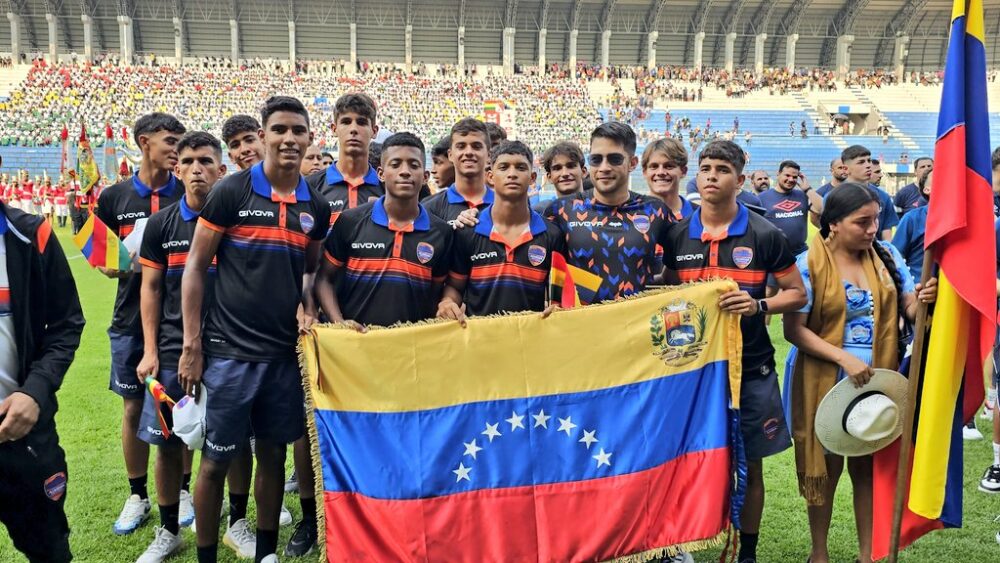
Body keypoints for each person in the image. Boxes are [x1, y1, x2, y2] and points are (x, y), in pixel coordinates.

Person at [180, 96, 330, 563]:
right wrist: (191, 345)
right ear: (264, 136)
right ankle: (207, 556)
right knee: (215, 461)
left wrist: (308, 306)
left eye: (298, 131)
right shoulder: (233, 191)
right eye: (279, 130)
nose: (289, 139)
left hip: (283, 355)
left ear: (309, 137)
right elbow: (195, 266)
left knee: (273, 456)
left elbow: (309, 272)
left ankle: (266, 553)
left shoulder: (315, 205)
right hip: (229, 353)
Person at [661, 140, 808, 563]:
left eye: (722, 169)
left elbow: (796, 293)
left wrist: (758, 304)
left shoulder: (765, 234)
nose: (712, 176)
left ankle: (748, 553)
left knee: (752, 465)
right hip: (690, 372)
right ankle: (680, 544)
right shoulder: (677, 234)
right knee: (683, 460)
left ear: (740, 180)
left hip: (751, 369)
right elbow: (665, 292)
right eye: (706, 168)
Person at [784, 183, 936, 563]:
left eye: (875, 220)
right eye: (862, 222)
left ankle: (867, 555)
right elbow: (794, 330)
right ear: (833, 223)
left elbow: (908, 309)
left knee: (867, 468)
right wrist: (844, 359)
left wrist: (922, 301)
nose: (872, 229)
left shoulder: (886, 255)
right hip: (825, 378)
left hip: (879, 378)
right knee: (826, 470)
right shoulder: (807, 264)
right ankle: (819, 553)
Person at [134, 132, 226, 562]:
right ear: (177, 169)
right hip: (172, 350)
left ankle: (236, 521)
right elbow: (150, 288)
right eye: (187, 161)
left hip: (227, 347)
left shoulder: (236, 220)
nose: (196, 169)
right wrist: (150, 349)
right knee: (168, 445)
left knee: (228, 443)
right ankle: (169, 529)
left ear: (221, 170)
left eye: (205, 161)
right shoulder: (161, 224)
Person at [95, 112, 187, 536]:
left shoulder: (186, 192)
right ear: (144, 142)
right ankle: (137, 494)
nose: (177, 150)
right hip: (129, 319)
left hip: (178, 321)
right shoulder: (113, 197)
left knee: (181, 405)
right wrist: (111, 265)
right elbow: (99, 256)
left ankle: (182, 491)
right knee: (133, 407)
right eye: (170, 141)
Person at [219, 113, 293, 557]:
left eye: (249, 140)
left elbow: (307, 271)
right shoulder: (229, 192)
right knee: (227, 444)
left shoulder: (302, 196)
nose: (245, 149)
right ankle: (235, 520)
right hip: (229, 344)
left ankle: (262, 521)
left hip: (280, 346)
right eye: (236, 145)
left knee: (268, 443)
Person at [0, 197, 85, 563]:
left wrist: (34, 392)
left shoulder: (33, 233)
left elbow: (66, 323)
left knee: (49, 550)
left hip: (24, 434)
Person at [314, 132, 453, 328]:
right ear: (380, 173)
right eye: (395, 165)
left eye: (414, 165)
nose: (405, 172)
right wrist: (340, 323)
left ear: (425, 177)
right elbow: (324, 278)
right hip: (356, 342)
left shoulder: (441, 232)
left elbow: (435, 293)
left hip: (412, 343)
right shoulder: (350, 221)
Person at [439, 140, 565, 320]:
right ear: (490, 177)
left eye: (520, 168)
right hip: (480, 336)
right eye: (504, 167)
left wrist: (557, 308)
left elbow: (559, 295)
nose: (512, 174)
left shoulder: (552, 234)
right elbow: (455, 286)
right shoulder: (467, 230)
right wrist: (447, 302)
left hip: (530, 336)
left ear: (532, 178)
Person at [306, 93, 383, 225]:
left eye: (361, 122)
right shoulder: (310, 186)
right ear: (334, 129)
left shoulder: (387, 188)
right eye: (346, 122)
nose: (353, 129)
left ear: (374, 131)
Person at [423, 118, 494, 225]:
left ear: (489, 155)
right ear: (450, 155)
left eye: (476, 146)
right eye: (461, 147)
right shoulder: (429, 208)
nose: (468, 152)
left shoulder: (506, 206)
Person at [758, 161, 823, 257]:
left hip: (801, 253)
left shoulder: (802, 195)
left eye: (795, 177)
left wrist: (807, 189)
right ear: (778, 174)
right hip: (774, 255)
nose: (791, 179)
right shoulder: (762, 198)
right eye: (787, 175)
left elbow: (822, 209)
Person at [837, 145, 898, 241]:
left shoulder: (883, 197)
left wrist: (886, 248)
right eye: (861, 162)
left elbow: (886, 232)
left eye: (868, 161)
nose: (868, 165)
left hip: (875, 249)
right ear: (846, 169)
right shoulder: (834, 197)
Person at [642, 138, 694, 220]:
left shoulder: (700, 217)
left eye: (669, 166)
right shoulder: (630, 215)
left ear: (683, 171)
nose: (660, 172)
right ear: (644, 172)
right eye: (654, 166)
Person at [535, 140, 588, 213]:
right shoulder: (541, 212)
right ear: (549, 177)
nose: (565, 173)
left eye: (571, 166)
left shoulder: (600, 209)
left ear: (583, 172)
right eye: (557, 168)